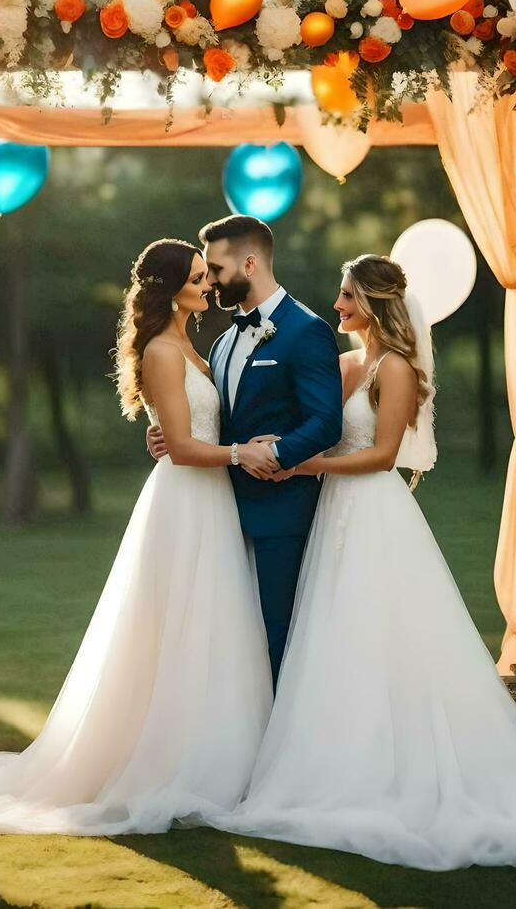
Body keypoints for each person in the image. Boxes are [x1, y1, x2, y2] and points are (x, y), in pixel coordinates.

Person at [209, 254, 516, 869]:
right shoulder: (346, 362)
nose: (337, 308)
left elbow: (383, 456)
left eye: (348, 298)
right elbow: (298, 412)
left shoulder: (398, 370)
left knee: (385, 632)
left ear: (376, 303)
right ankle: (342, 756)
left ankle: (403, 760)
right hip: (334, 512)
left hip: (372, 511)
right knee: (336, 637)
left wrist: (305, 465)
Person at [0, 240, 272, 834]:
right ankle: (171, 763)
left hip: (211, 496)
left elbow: (183, 430)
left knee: (213, 627)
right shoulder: (160, 350)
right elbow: (179, 445)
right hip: (187, 500)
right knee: (178, 629)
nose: (208, 286)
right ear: (169, 287)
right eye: (198, 278)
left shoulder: (190, 345)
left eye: (207, 276)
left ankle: (219, 755)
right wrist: (241, 452)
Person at [148, 214, 343, 686]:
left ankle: (283, 752)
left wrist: (277, 457)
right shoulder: (220, 342)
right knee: (227, 644)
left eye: (214, 269)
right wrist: (167, 436)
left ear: (249, 263)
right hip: (216, 514)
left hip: (280, 512)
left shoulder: (306, 330)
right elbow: (210, 420)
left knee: (278, 637)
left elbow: (326, 421)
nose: (210, 282)